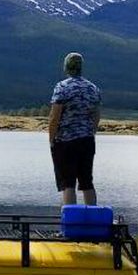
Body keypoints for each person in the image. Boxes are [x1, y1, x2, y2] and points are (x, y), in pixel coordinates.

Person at [48, 51, 100, 206]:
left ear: (66, 67)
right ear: (81, 67)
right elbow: (96, 116)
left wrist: (51, 139)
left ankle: (70, 219)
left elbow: (54, 117)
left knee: (68, 183)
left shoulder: (62, 87)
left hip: (65, 141)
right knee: (87, 181)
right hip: (87, 141)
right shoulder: (92, 88)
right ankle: (93, 217)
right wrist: (90, 133)